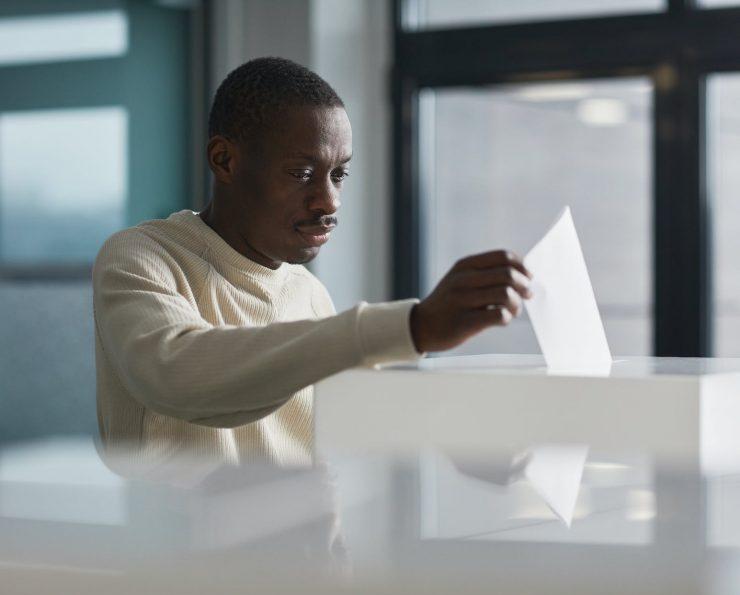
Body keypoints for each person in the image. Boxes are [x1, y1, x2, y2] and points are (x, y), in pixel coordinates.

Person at [92, 57, 533, 466]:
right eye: (301, 173)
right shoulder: (144, 256)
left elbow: (349, 432)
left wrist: (462, 445)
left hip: (303, 546)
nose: (330, 200)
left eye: (338, 173)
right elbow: (177, 375)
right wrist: (412, 325)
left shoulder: (309, 293)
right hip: (170, 550)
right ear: (224, 161)